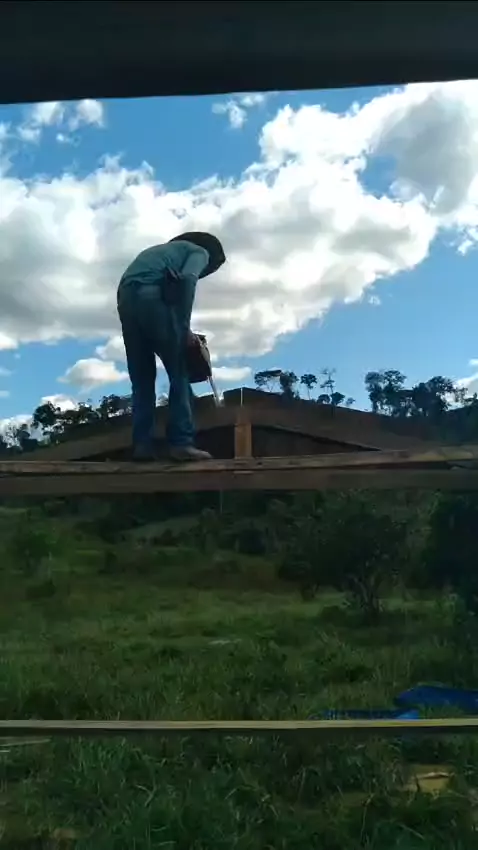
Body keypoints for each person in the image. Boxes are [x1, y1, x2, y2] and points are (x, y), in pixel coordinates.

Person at [117, 232, 226, 462]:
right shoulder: (199, 252)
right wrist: (184, 329)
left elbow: (170, 289)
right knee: (179, 370)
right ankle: (181, 443)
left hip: (125, 298)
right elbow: (188, 279)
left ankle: (142, 445)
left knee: (142, 378)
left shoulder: (158, 254)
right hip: (150, 295)